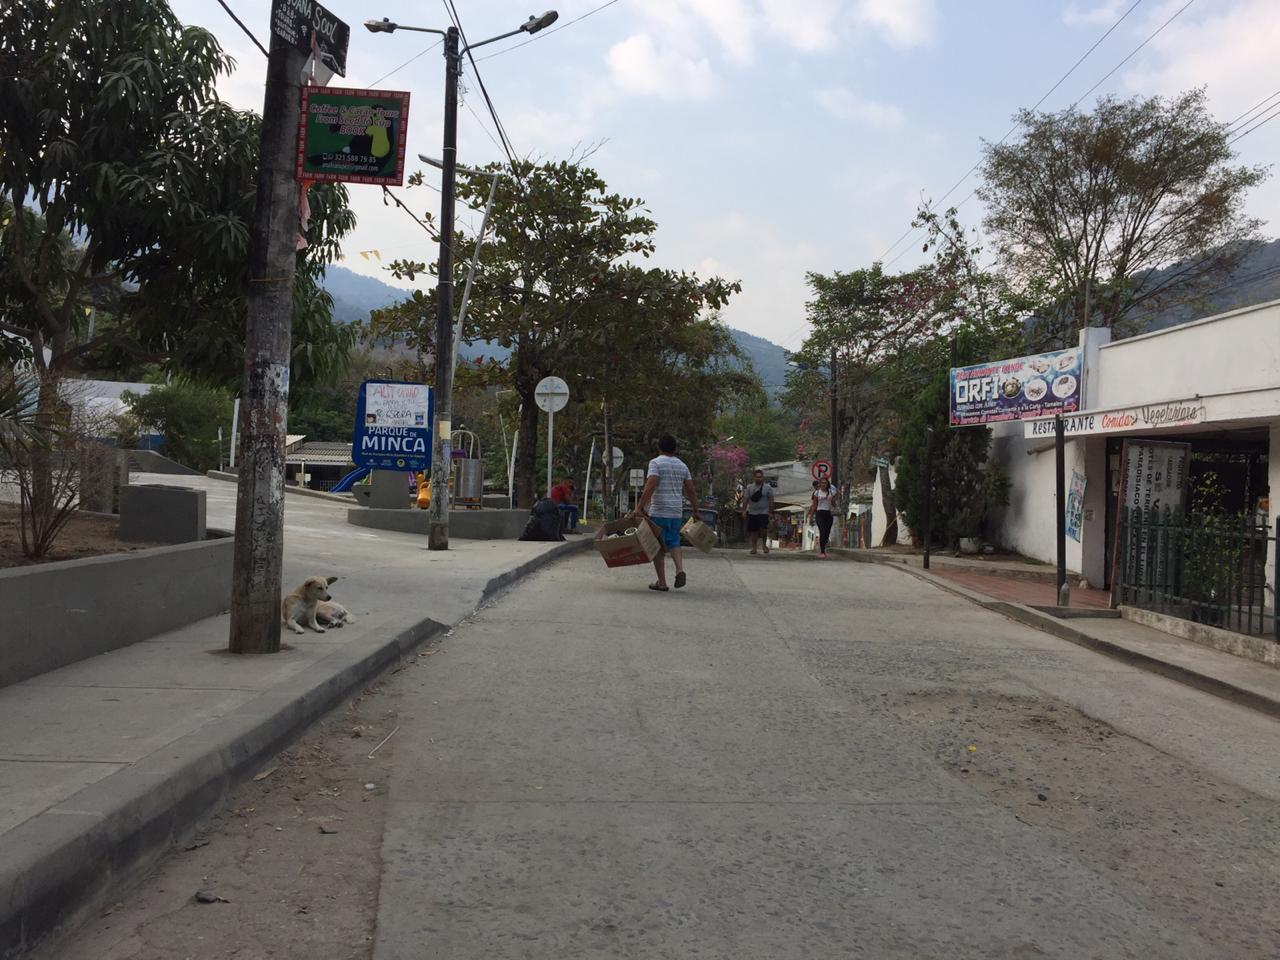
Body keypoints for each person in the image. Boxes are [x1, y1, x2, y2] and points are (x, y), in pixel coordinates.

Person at [633, 434, 697, 591]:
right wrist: (695, 510)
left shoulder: (655, 463)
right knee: (674, 541)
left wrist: (639, 507)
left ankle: (662, 582)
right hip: (676, 511)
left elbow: (651, 485)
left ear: (659, 448)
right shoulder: (683, 465)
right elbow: (691, 490)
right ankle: (680, 569)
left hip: (659, 511)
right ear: (675, 449)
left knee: (657, 547)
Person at [741, 468, 774, 556]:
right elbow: (745, 499)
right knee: (754, 531)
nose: (758, 479)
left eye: (760, 477)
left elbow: (771, 500)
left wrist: (770, 512)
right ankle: (754, 548)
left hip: (764, 511)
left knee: (763, 529)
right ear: (754, 478)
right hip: (752, 512)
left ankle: (764, 545)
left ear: (763, 477)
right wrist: (744, 510)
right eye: (757, 477)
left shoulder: (768, 488)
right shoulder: (749, 487)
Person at [809, 477, 839, 559]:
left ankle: (823, 546)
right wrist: (811, 517)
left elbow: (834, 504)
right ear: (819, 484)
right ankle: (822, 551)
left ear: (827, 484)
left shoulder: (831, 492)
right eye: (821, 483)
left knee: (827, 532)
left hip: (829, 513)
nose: (823, 484)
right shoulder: (817, 493)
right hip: (820, 513)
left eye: (825, 483)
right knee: (822, 531)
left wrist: (832, 499)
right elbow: (814, 505)